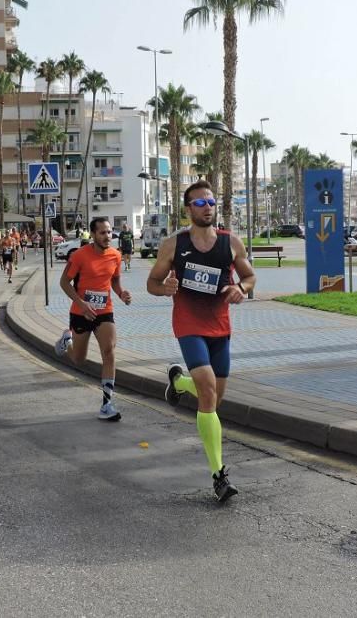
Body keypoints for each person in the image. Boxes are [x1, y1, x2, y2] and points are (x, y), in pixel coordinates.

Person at [146, 180, 256, 502]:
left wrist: (242, 289)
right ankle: (218, 474)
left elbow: (249, 276)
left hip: (220, 327)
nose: (208, 207)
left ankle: (179, 381)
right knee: (207, 391)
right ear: (188, 209)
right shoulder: (173, 245)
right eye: (200, 203)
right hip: (188, 324)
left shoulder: (231, 243)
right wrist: (164, 288)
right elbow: (152, 282)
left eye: (211, 202)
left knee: (214, 400)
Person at [54, 217, 132, 421]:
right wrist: (81, 303)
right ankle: (67, 341)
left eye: (109, 232)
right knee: (79, 360)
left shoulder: (115, 255)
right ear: (94, 234)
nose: (108, 236)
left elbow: (114, 280)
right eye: (103, 233)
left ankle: (107, 405)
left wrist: (121, 293)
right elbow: (64, 282)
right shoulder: (80, 256)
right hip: (81, 312)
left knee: (109, 351)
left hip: (104, 311)